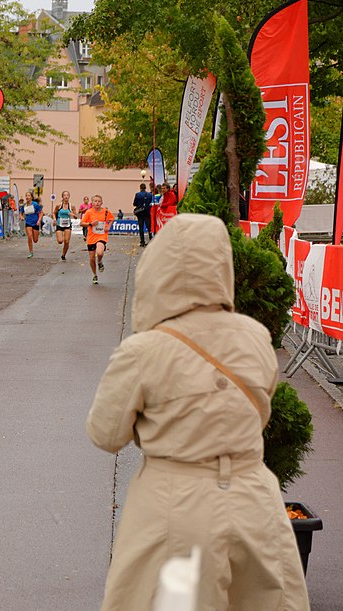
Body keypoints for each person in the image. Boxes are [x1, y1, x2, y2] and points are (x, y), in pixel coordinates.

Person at [86, 214, 309, 610]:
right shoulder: (256, 337)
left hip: (178, 505)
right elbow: (259, 411)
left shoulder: (145, 350)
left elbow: (106, 434)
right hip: (256, 501)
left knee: (176, 602)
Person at [80, 194, 114, 285]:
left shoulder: (106, 211)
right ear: (92, 203)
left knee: (99, 252)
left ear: (102, 202)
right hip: (91, 237)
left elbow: (112, 219)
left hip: (102, 236)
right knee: (91, 259)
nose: (97, 203)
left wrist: (108, 227)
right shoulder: (89, 212)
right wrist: (90, 224)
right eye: (95, 201)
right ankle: (95, 274)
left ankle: (99, 261)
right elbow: (82, 223)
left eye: (99, 201)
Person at [54, 190, 75, 261]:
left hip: (67, 225)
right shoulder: (59, 206)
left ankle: (63, 255)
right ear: (62, 197)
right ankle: (61, 236)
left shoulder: (71, 206)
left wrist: (72, 215)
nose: (66, 196)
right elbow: (54, 213)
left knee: (67, 241)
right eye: (64, 195)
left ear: (69, 197)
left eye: (67, 195)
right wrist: (54, 220)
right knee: (60, 241)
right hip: (60, 223)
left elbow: (75, 216)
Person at [22, 190, 42, 258]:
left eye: (28, 196)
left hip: (35, 223)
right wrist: (21, 217)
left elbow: (41, 212)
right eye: (26, 196)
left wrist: (39, 220)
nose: (27, 197)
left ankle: (36, 235)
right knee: (29, 236)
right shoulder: (24, 206)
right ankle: (31, 252)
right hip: (28, 223)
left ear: (31, 197)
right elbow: (20, 213)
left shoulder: (35, 204)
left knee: (35, 240)